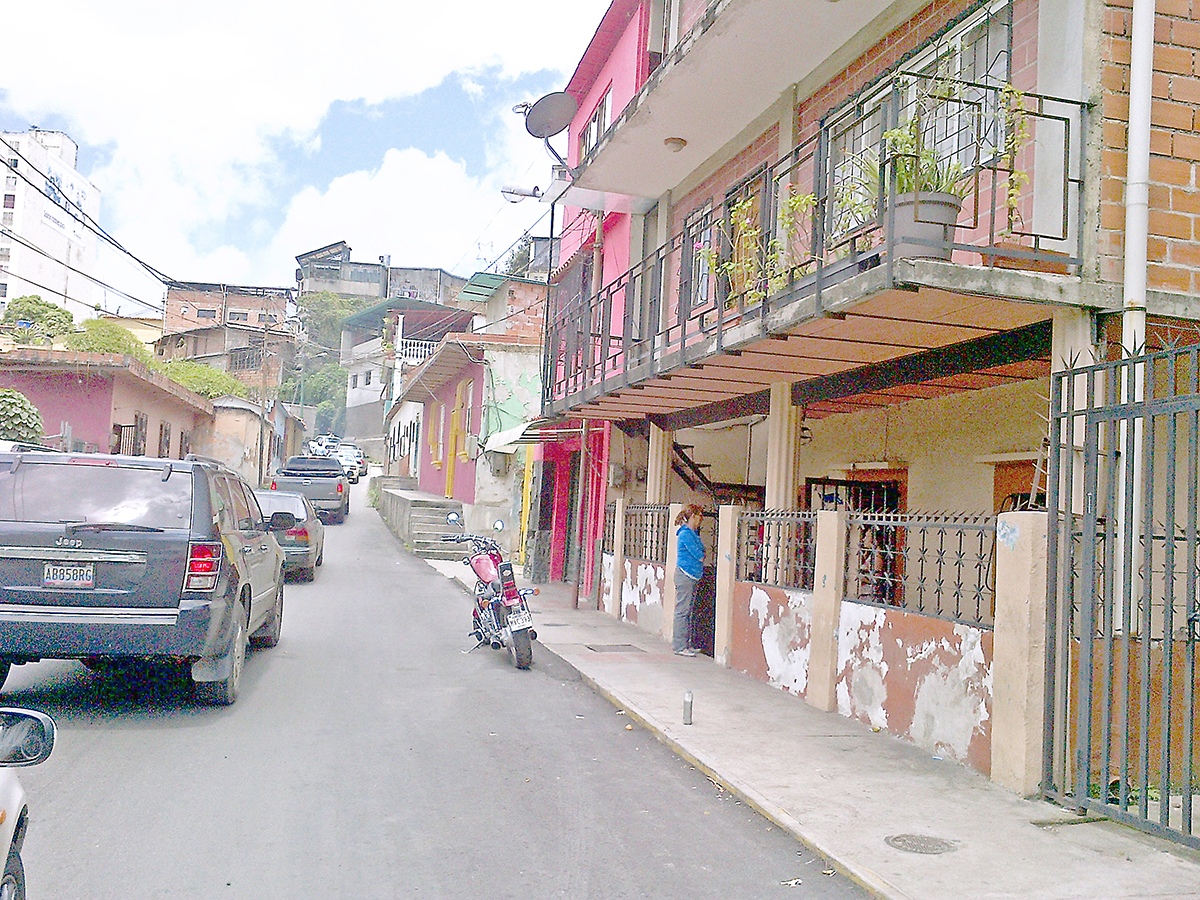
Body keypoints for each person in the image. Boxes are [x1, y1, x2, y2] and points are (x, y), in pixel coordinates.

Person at [672, 503, 706, 656]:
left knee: (688, 611)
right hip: (685, 575)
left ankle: (687, 644)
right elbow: (699, 554)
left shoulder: (692, 533)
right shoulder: (686, 534)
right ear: (693, 516)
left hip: (691, 575)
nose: (701, 520)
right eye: (699, 517)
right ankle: (679, 646)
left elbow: (702, 551)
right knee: (682, 611)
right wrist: (701, 554)